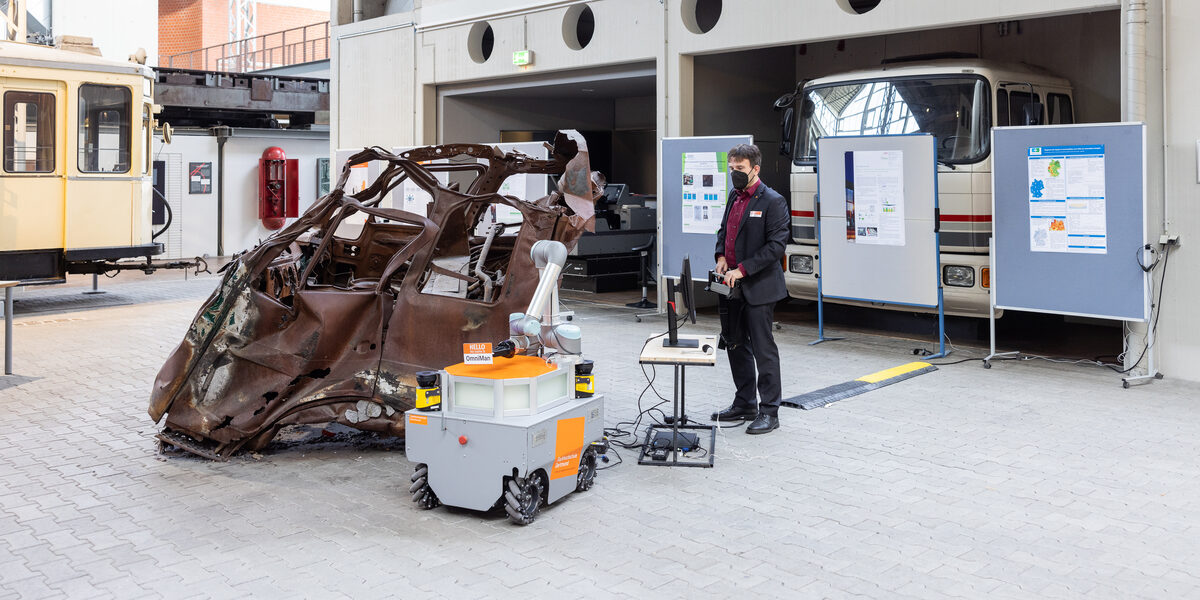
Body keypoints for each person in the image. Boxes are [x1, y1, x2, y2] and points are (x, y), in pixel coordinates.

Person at [710, 144, 790, 435]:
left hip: (758, 287)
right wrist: (721, 257)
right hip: (730, 286)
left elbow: (775, 247)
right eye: (731, 168)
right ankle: (745, 403)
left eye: (740, 169)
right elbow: (725, 232)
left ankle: (770, 411)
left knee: (762, 349)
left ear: (756, 168)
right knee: (735, 344)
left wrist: (741, 270)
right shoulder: (734, 196)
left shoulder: (773, 201)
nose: (735, 174)